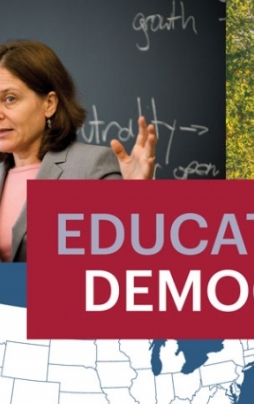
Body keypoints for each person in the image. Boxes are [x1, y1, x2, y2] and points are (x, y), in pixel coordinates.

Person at [0, 40, 157, 262]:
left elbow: (132, 255)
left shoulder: (91, 166)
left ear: (49, 104)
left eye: (10, 99)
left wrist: (138, 199)